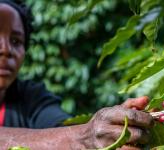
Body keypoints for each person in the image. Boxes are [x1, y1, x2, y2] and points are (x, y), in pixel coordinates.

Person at [0, 0, 154, 149]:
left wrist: (115, 132)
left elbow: (62, 129)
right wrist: (84, 137)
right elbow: (77, 137)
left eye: (16, 41)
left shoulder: (32, 98)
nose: (6, 50)